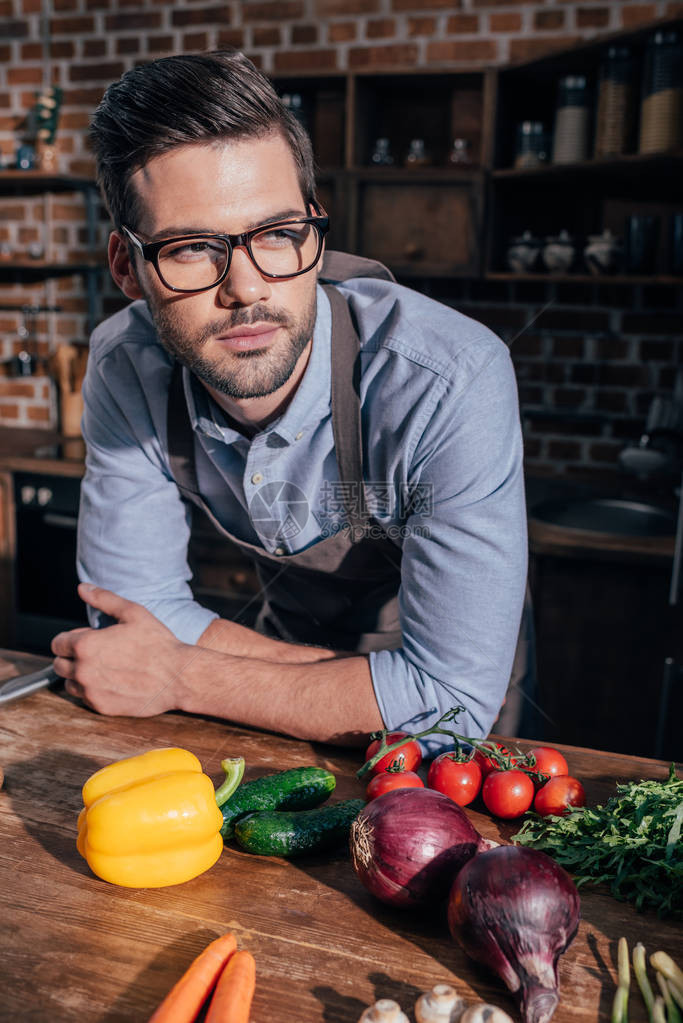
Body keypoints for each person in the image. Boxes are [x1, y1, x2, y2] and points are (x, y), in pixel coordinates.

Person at [51, 50, 532, 752]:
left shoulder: (447, 378)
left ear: (312, 223)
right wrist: (387, 687)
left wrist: (184, 674)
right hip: (265, 715)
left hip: (451, 751)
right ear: (128, 266)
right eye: (191, 248)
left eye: (277, 235)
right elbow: (133, 619)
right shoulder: (127, 365)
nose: (246, 288)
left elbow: (451, 707)